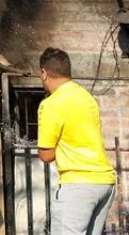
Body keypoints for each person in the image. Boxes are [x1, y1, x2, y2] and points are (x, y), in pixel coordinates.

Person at [37, 47, 116, 235]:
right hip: (105, 183)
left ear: (44, 73)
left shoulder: (51, 104)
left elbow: (46, 155)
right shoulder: (86, 97)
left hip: (78, 186)